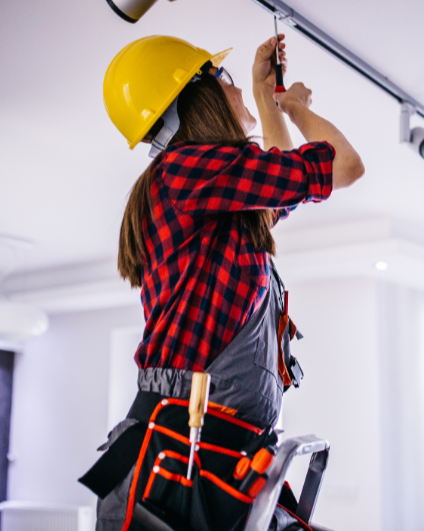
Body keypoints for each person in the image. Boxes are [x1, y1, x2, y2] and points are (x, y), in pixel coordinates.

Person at [80, 34, 364, 531]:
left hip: (218, 454)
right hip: (180, 461)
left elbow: (280, 183)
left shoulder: (219, 205)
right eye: (225, 79)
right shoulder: (186, 172)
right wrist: (295, 108)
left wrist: (263, 98)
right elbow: (343, 164)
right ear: (198, 97)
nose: (234, 88)